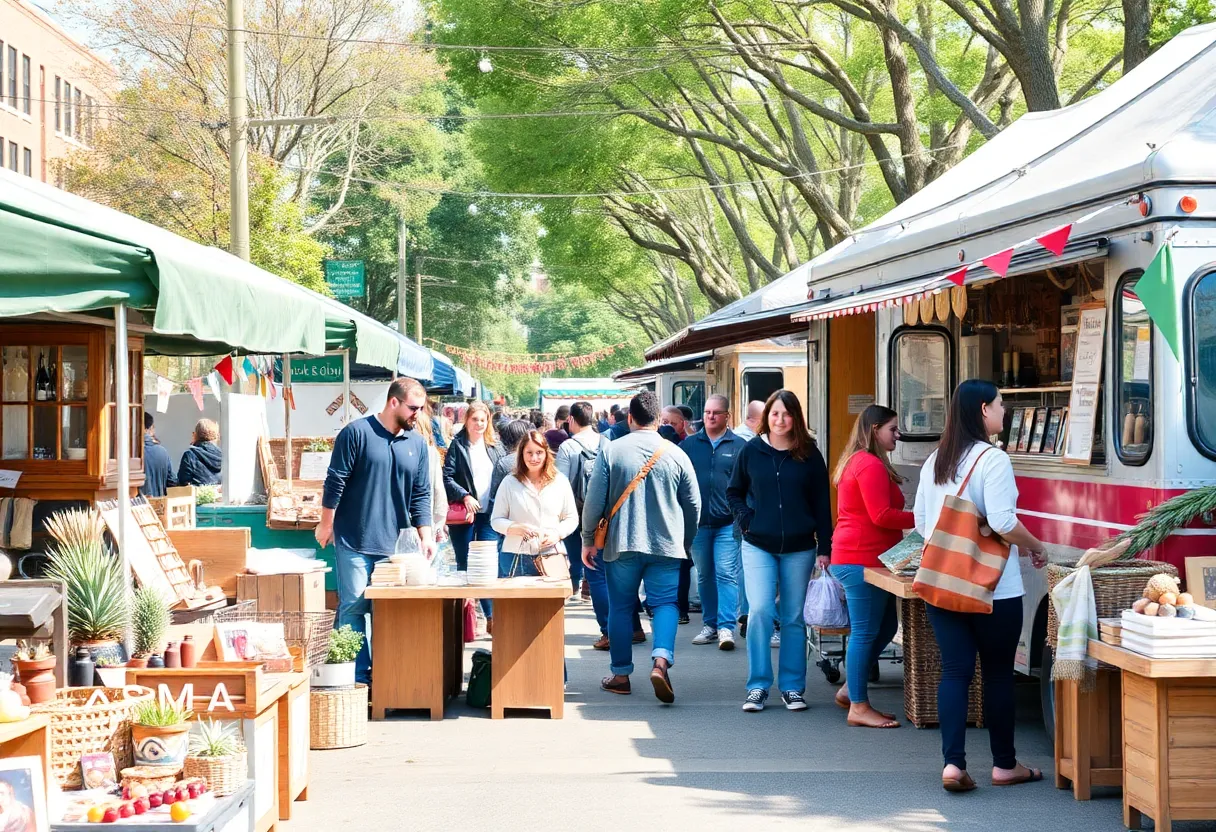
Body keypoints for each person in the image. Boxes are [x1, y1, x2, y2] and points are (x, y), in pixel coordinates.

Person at [913, 379, 1048, 792]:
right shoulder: (994, 460)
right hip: (994, 590)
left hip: (944, 583)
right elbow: (1005, 522)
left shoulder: (936, 460)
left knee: (954, 672)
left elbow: (922, 523)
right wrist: (1036, 546)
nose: (1004, 412)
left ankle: (953, 765)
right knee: (997, 676)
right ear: (983, 410)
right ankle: (1004, 766)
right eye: (1001, 404)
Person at [582, 391, 700, 703]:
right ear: (660, 419)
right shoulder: (676, 453)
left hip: (621, 544)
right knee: (664, 605)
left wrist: (587, 539)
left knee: (621, 607)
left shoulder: (612, 450)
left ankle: (620, 675)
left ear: (630, 418)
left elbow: (594, 501)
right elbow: (693, 504)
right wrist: (685, 541)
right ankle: (661, 660)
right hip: (666, 545)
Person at [318, 377, 435, 685]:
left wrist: (426, 534)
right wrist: (326, 523)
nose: (417, 415)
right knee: (354, 606)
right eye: (413, 408)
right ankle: (358, 680)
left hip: (397, 547)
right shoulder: (356, 433)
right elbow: (335, 481)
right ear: (393, 402)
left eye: (421, 409)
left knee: (390, 611)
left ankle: (389, 678)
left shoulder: (417, 445)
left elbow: (421, 494)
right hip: (353, 538)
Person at [727, 390, 833, 713]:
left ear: (796, 418)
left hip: (800, 547)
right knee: (759, 610)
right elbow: (734, 492)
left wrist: (824, 548)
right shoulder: (752, 451)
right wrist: (746, 519)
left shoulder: (810, 454)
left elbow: (822, 505)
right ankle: (758, 685)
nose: (780, 420)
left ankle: (791, 687)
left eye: (786, 414)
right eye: (775, 414)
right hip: (758, 544)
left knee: (793, 617)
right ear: (766, 418)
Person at [829, 405, 916, 728]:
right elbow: (881, 515)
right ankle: (859, 706)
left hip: (862, 557)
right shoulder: (869, 464)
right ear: (875, 429)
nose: (898, 435)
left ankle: (851, 690)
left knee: (884, 628)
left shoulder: (860, 461)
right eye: (892, 429)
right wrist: (924, 518)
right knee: (866, 633)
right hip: (861, 559)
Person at [557, 402, 645, 645]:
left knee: (595, 575)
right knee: (618, 575)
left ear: (572, 420)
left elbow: (561, 486)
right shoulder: (607, 443)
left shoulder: (567, 448)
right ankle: (634, 627)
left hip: (580, 518)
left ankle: (609, 631)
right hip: (612, 517)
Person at [681, 395, 744, 651]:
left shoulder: (739, 446)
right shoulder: (690, 445)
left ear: (727, 416)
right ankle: (710, 625)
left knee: (726, 574)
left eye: (717, 412)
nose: (710, 416)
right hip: (698, 524)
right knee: (705, 575)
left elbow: (747, 485)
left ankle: (726, 627)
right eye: (707, 412)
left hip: (728, 524)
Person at [443, 400, 504, 623]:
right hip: (465, 514)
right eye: (475, 419)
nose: (479, 423)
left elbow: (505, 473)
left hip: (490, 512)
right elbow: (447, 477)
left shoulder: (495, 445)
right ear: (466, 420)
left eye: (483, 419)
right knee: (464, 563)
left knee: (487, 563)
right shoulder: (457, 445)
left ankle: (490, 617)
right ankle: (464, 618)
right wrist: (464, 495)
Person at [491, 430, 579, 578]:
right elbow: (496, 520)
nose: (534, 458)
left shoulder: (559, 481)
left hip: (551, 555)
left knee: (551, 601)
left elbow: (571, 518)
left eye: (539, 452)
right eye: (529, 453)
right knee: (514, 601)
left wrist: (557, 533)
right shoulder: (509, 482)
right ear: (522, 454)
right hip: (515, 555)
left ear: (546, 453)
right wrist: (514, 527)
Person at [176, 419, 222, 487]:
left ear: (195, 435)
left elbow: (183, 482)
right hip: (219, 496)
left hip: (198, 496)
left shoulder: (190, 455)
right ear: (216, 436)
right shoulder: (223, 456)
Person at [140, 412, 175, 497]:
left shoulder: (132, 454)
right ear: (150, 428)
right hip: (159, 504)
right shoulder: (163, 451)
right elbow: (171, 481)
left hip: (137, 505)